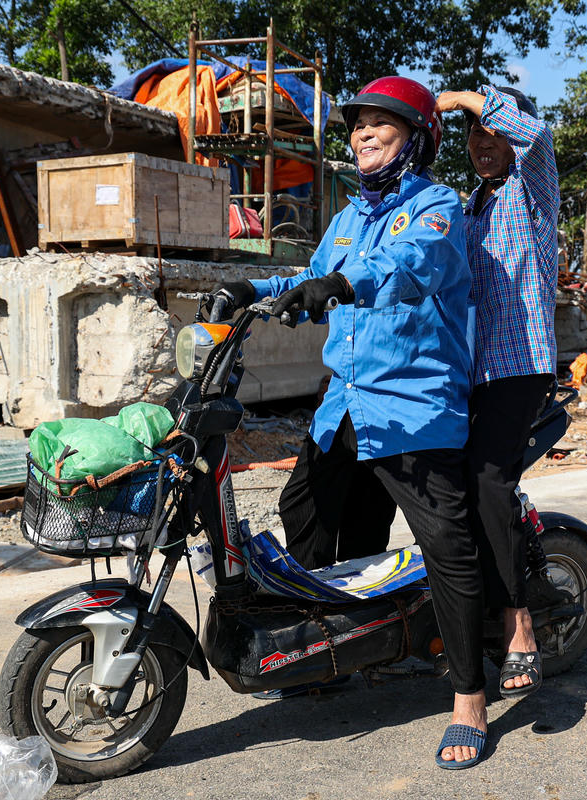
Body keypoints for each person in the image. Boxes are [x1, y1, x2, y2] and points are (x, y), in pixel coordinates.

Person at [212, 76, 490, 769]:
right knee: (303, 506)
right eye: (358, 125)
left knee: (447, 552)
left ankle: (469, 699)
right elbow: (312, 272)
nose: (363, 134)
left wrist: (340, 286)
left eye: (381, 125)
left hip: (412, 406)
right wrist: (255, 287)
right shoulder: (345, 219)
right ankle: (326, 651)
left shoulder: (436, 207)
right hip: (346, 401)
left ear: (416, 138)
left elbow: (407, 267)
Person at [435, 84, 561, 702]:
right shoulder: (469, 206)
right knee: (442, 484)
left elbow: (533, 135)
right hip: (471, 371)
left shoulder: (531, 188)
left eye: (493, 135)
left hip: (521, 367)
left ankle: (520, 628)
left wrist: (459, 98)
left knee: (487, 479)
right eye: (474, 137)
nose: (484, 145)